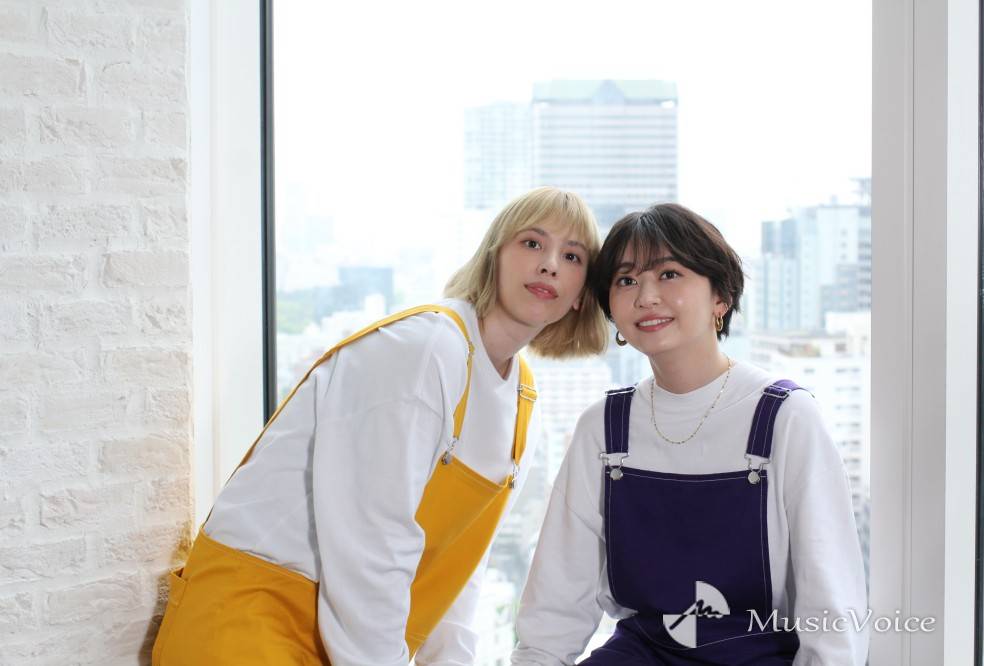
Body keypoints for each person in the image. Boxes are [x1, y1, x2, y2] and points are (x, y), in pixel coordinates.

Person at [151, 186, 608, 665]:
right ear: (493, 256)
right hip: (250, 619)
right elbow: (371, 545)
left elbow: (460, 573)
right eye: (532, 243)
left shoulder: (521, 400)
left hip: (346, 635)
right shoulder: (427, 348)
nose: (549, 264)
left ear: (582, 294)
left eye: (572, 256)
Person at [511, 203, 869, 664]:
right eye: (626, 281)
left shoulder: (785, 417)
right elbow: (556, 605)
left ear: (720, 297)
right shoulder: (604, 427)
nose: (646, 296)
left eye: (669, 274)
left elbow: (833, 609)